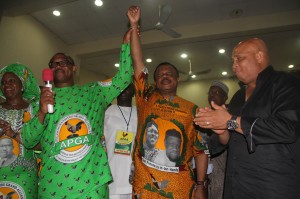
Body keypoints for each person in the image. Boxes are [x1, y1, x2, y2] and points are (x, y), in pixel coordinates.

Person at [21, 28, 134, 198]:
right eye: (53, 63)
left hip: (91, 185)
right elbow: (28, 141)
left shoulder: (94, 92)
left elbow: (124, 78)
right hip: (54, 187)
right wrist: (42, 112)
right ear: (49, 71)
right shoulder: (40, 100)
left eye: (63, 62)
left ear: (74, 68)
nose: (58, 65)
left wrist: (126, 44)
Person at [194, 38, 300, 198]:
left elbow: (287, 129)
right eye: (232, 60)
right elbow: (230, 141)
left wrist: (230, 121)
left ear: (259, 56)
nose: (234, 65)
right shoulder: (238, 96)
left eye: (239, 58)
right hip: (236, 185)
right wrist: (221, 130)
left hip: (273, 186)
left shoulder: (286, 83)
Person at [128, 6, 208, 199]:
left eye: (169, 74)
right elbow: (137, 62)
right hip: (144, 187)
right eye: (160, 75)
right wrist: (134, 25)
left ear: (178, 79)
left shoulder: (192, 109)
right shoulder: (145, 98)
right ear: (154, 81)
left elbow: (201, 150)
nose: (165, 76)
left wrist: (200, 185)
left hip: (179, 189)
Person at [0, 63, 40, 198]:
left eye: (12, 81)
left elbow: (43, 143)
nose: (7, 85)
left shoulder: (34, 111)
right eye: (3, 82)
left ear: (22, 85)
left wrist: (15, 134)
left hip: (26, 175)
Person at [104, 83, 137, 199]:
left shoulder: (140, 113)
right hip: (113, 175)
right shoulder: (106, 112)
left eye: (128, 88)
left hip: (135, 177)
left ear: (133, 92)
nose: (123, 91)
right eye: (121, 88)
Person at [205, 80, 229, 199]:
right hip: (208, 164)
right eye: (210, 93)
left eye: (216, 92)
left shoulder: (231, 114)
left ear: (225, 97)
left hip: (224, 162)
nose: (212, 95)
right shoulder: (205, 114)